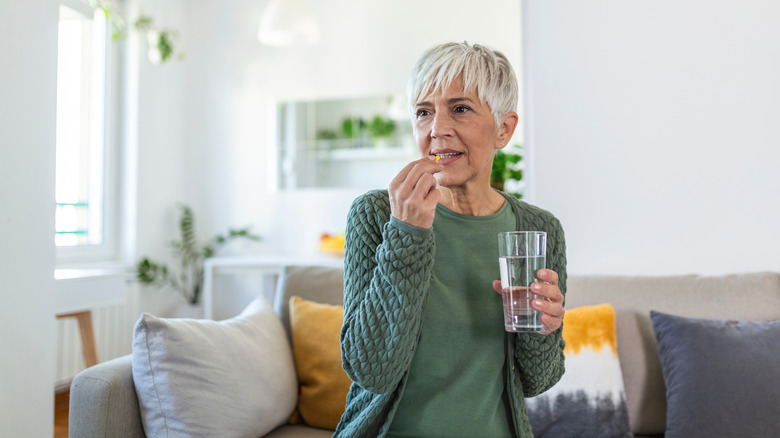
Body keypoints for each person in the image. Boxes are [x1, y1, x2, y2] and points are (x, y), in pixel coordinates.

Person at [334, 41, 566, 438]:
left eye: (460, 108)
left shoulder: (538, 229)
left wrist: (543, 330)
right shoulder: (377, 214)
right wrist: (407, 233)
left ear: (504, 129)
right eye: (423, 112)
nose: (437, 129)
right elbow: (371, 371)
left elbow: (537, 381)